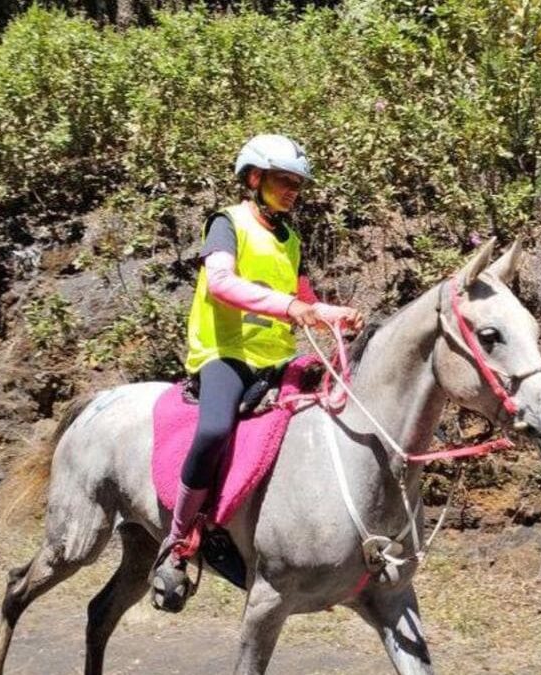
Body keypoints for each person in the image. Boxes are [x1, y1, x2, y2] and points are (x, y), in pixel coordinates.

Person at [151, 134, 363, 611]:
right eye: (283, 180)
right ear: (254, 179)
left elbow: (304, 301)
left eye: (298, 183)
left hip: (276, 361)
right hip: (225, 356)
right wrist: (292, 307)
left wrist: (334, 314)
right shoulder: (227, 223)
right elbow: (222, 282)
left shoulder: (290, 240)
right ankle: (179, 540)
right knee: (213, 430)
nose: (293, 190)